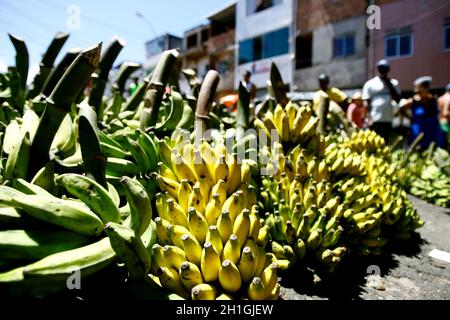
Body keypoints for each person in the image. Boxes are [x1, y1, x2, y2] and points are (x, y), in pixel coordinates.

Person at [397, 76, 445, 149]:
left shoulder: (433, 100)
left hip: (433, 130)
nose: (416, 90)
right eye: (416, 88)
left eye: (419, 88)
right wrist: (410, 118)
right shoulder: (413, 101)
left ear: (426, 88)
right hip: (418, 131)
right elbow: (401, 110)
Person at [362, 59, 401, 143]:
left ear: (388, 70)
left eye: (385, 68)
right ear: (377, 69)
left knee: (385, 142)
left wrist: (388, 84)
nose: (383, 71)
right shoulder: (370, 83)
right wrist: (369, 118)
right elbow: (366, 102)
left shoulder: (394, 83)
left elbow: (397, 100)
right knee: (373, 142)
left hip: (388, 119)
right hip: (374, 119)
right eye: (381, 68)